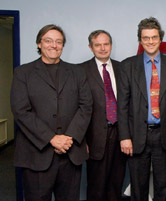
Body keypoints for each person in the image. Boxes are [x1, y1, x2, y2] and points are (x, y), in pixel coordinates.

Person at [10, 24, 92, 201]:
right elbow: (21, 111)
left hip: (71, 152)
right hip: (36, 154)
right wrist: (52, 138)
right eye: (48, 41)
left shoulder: (77, 72)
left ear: (63, 45)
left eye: (59, 41)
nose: (54, 45)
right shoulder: (23, 73)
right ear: (39, 44)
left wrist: (69, 137)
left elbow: (86, 106)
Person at [118, 17, 166, 201]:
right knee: (138, 189)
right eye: (146, 38)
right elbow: (122, 106)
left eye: (154, 37)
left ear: (160, 39)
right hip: (136, 136)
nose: (150, 41)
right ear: (140, 40)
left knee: (164, 188)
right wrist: (124, 137)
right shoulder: (127, 66)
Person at [80, 30, 127, 201]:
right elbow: (77, 108)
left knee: (117, 182)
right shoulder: (80, 70)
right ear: (90, 47)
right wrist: (81, 140)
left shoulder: (123, 68)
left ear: (111, 45)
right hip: (94, 137)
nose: (102, 48)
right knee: (96, 185)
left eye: (106, 44)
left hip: (120, 134)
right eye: (97, 45)